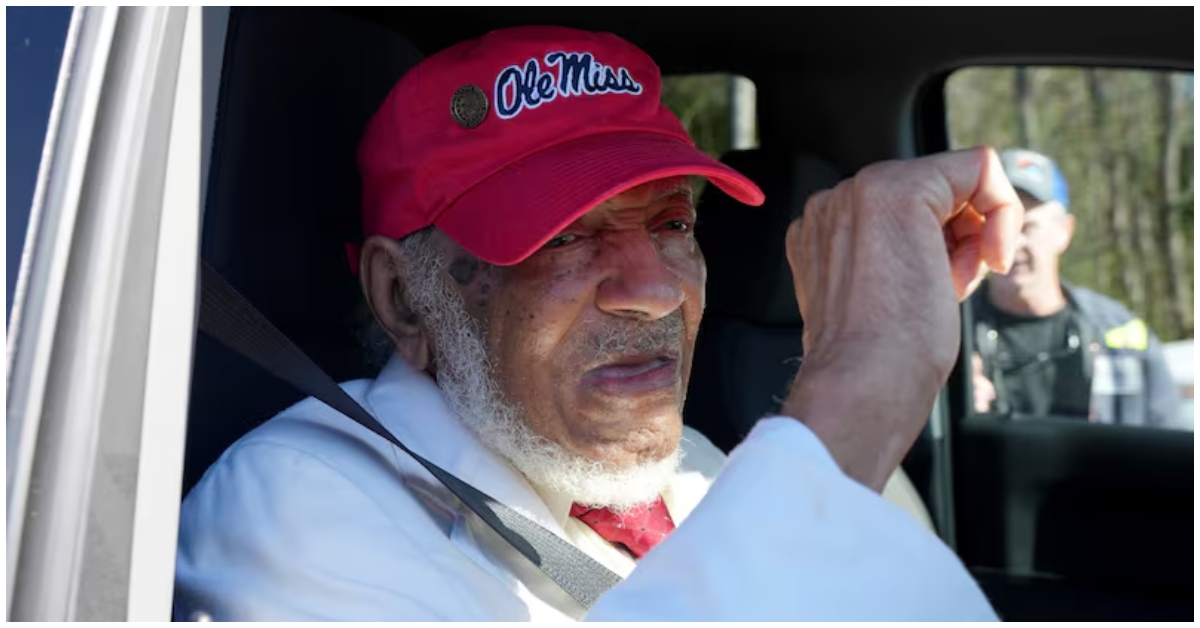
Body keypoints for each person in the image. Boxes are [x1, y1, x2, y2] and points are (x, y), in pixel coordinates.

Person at [174, 26, 1023, 621]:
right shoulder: (298, 510)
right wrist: (855, 386)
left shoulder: (695, 469)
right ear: (404, 298)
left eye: (672, 225)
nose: (653, 292)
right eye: (564, 236)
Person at [969, 148, 1179, 427]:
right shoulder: (949, 334)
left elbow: (1170, 445)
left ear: (1064, 231)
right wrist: (947, 408)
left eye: (1028, 228)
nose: (1013, 245)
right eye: (998, 228)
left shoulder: (1123, 336)